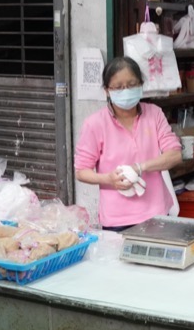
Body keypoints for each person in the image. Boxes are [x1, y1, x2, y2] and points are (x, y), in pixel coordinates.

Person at [75, 56, 183, 231]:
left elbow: (175, 155)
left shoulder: (154, 114)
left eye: (132, 85)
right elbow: (81, 171)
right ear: (107, 90)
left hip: (157, 212)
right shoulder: (95, 123)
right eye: (118, 87)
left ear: (141, 85)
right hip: (117, 220)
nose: (125, 91)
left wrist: (140, 167)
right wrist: (108, 179)